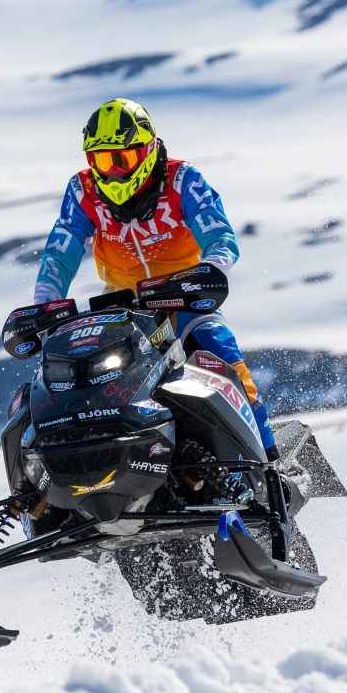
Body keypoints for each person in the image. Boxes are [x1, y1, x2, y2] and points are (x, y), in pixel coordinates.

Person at [33, 97, 277, 456]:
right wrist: (45, 306)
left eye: (123, 159)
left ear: (147, 150)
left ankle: (271, 466)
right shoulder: (82, 191)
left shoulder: (183, 180)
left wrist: (210, 271)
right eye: (102, 160)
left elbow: (221, 238)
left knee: (225, 363)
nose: (114, 172)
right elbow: (59, 253)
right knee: (80, 386)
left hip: (186, 299)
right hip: (123, 311)